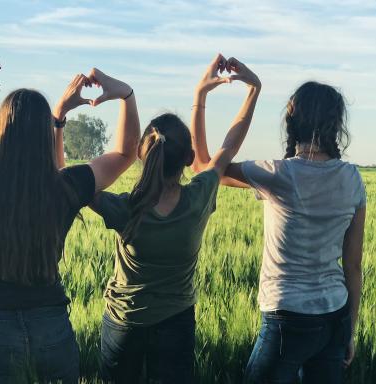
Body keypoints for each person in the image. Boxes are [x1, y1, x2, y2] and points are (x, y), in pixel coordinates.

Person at [0, 20, 140, 384]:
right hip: (53, 333)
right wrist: (125, 95)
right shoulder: (66, 186)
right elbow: (126, 152)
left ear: (2, 133)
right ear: (44, 137)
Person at [87, 54, 261, 383]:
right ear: (189, 158)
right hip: (177, 324)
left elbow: (72, 184)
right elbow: (228, 147)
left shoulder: (126, 208)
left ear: (142, 155)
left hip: (124, 324)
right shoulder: (198, 197)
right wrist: (248, 89)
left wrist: (59, 120)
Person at [191, 78, 366, 383]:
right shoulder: (352, 178)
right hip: (334, 317)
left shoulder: (278, 174)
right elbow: (353, 266)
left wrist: (201, 95)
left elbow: (204, 166)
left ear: (291, 119)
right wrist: (348, 331)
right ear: (336, 124)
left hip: (287, 318)